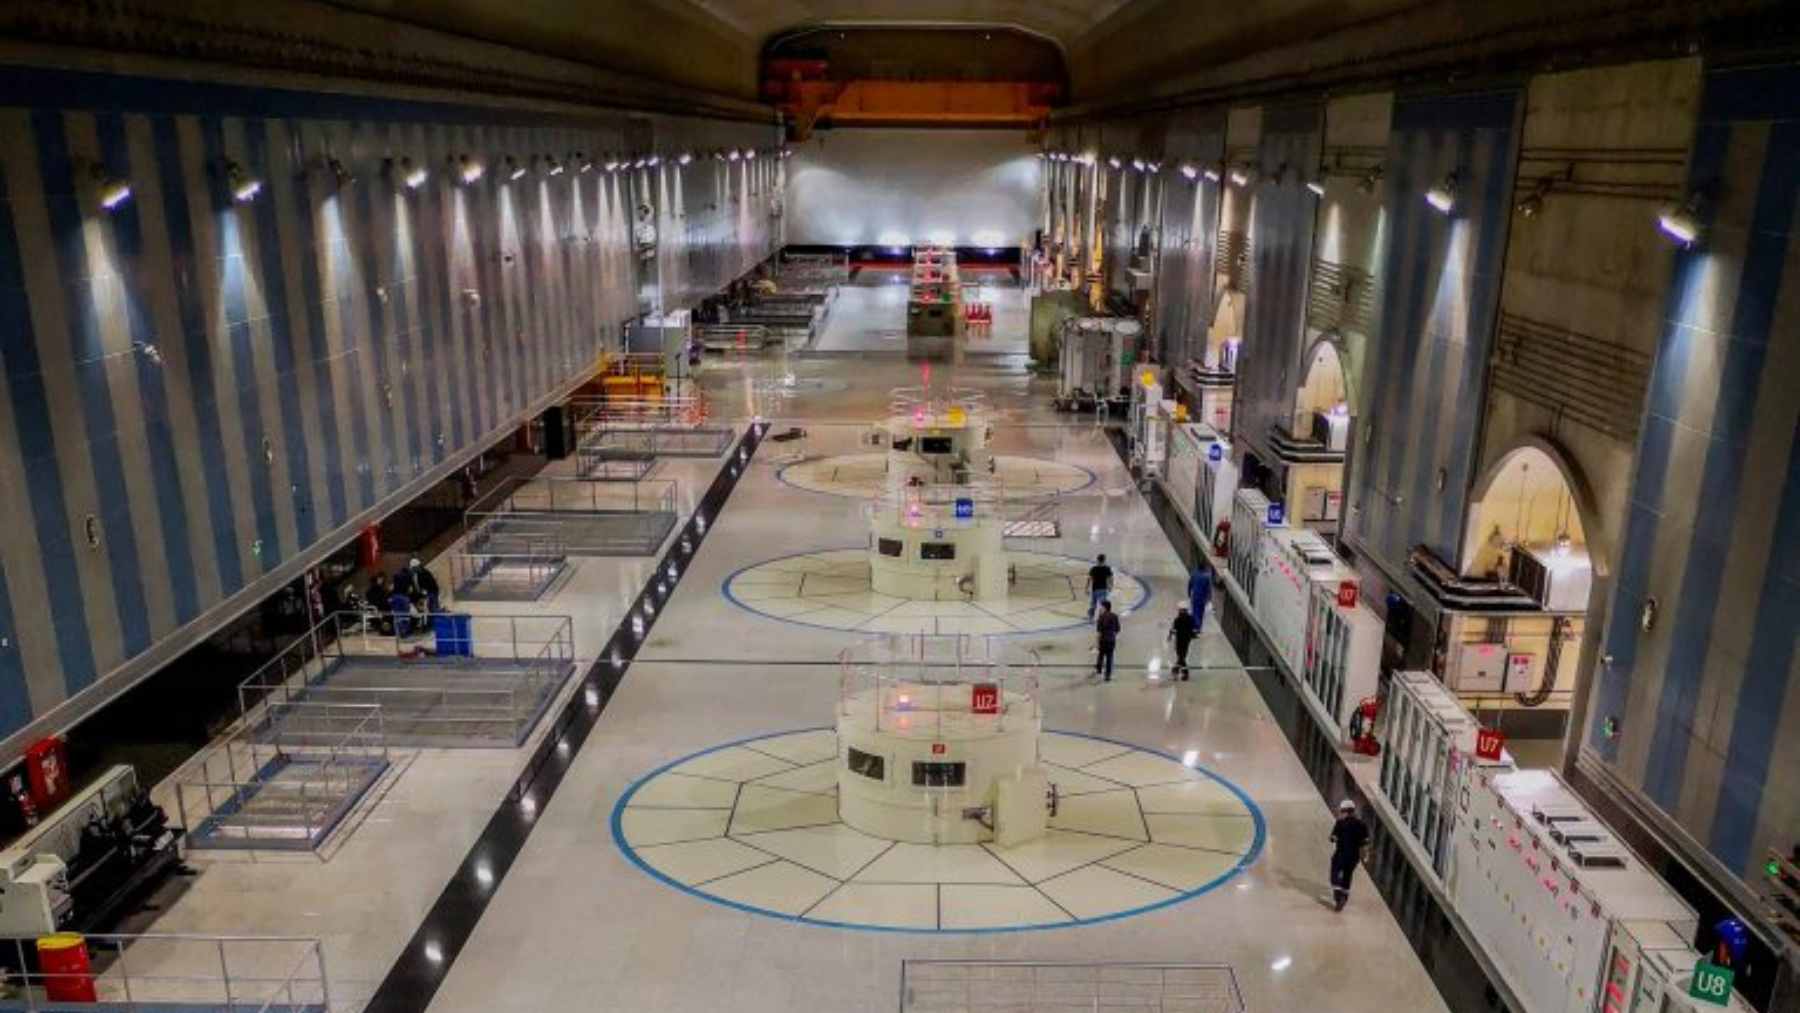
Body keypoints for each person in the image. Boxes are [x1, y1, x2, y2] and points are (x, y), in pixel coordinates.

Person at [1329, 799, 1370, 911]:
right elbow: (1365, 843)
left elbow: (1332, 838)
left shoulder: (1340, 823)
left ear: (1345, 811)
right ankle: (1344, 895)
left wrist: (1334, 838)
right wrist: (1366, 856)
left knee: (1335, 871)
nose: (1340, 813)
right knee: (1348, 874)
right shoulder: (1362, 825)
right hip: (1354, 857)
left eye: (1341, 811)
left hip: (1341, 853)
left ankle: (1338, 896)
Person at [1167, 604, 1197, 681]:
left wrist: (1170, 636)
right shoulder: (1190, 619)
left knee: (1181, 656)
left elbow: (1173, 629)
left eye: (1181, 610)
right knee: (1181, 656)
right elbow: (1193, 629)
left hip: (1181, 640)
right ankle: (1180, 671)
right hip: (1185, 640)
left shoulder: (1178, 619)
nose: (1180, 611)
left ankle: (1178, 671)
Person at [1094, 600, 1121, 682]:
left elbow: (1099, 632)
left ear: (1105, 607)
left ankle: (1099, 669)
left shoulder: (1101, 617)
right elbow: (1118, 629)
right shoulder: (1115, 616)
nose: (1100, 608)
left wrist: (1097, 642)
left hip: (1103, 640)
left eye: (1101, 607)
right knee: (1109, 657)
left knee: (1101, 655)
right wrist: (1112, 635)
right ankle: (1107, 676)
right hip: (1111, 640)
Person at [1086, 554, 1114, 619]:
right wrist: (1111, 586)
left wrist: (1087, 588)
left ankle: (1091, 616)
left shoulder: (1093, 569)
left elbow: (1089, 579)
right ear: (1104, 560)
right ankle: (1103, 617)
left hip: (1095, 589)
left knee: (1093, 604)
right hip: (1103, 589)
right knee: (1103, 604)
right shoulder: (1107, 568)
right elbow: (1111, 578)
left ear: (1097, 560)